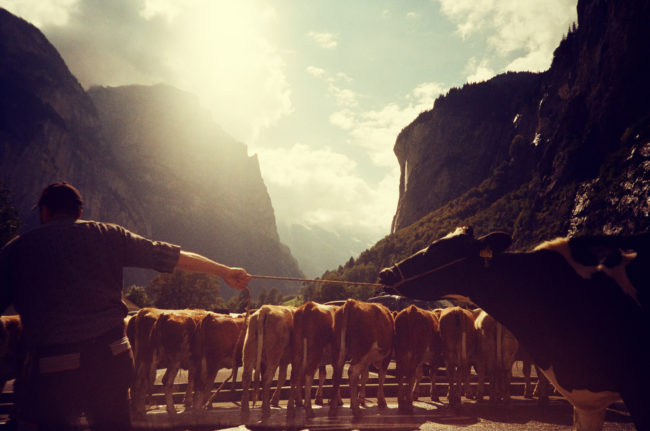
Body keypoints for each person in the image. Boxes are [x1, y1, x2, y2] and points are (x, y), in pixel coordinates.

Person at [0, 182, 252, 430]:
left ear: (44, 212)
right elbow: (171, 256)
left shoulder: (18, 249)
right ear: (79, 212)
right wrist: (223, 271)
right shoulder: (107, 234)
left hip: (52, 370)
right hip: (112, 358)